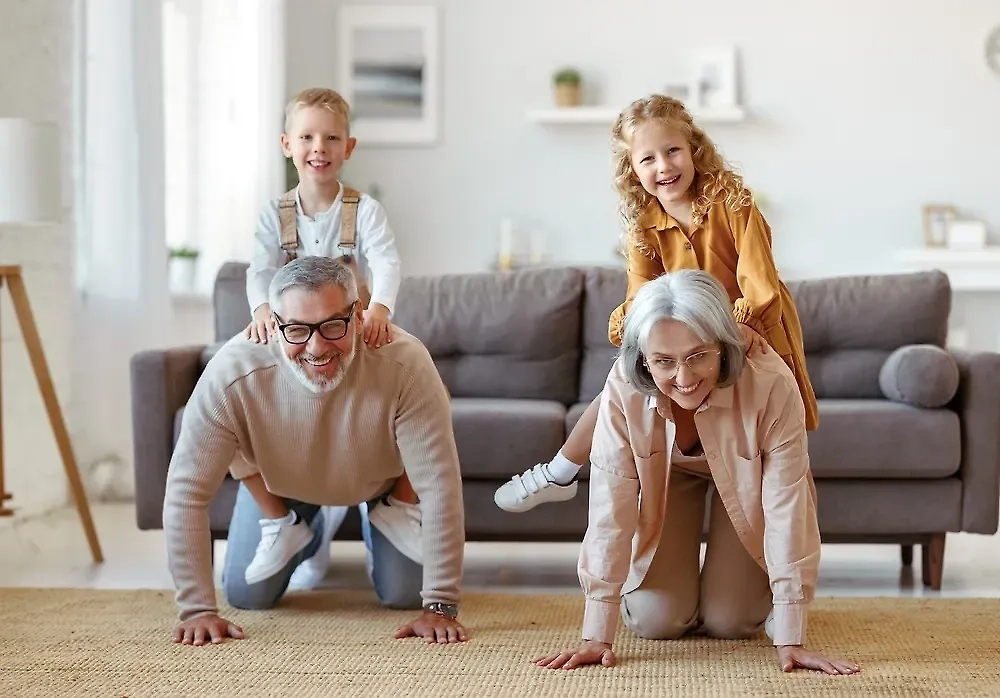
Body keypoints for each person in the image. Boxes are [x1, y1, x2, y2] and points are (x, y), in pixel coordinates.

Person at [494, 94, 818, 514]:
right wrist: (640, 333)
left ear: (693, 150)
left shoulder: (732, 201)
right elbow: (639, 295)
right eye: (648, 159)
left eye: (673, 151)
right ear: (632, 169)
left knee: (767, 424)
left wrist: (741, 323)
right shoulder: (643, 228)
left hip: (749, 329)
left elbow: (758, 279)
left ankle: (776, 512)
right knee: (625, 375)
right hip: (687, 338)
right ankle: (562, 470)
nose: (664, 167)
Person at [533, 270, 858, 675]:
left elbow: (786, 505)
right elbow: (608, 507)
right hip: (666, 479)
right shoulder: (622, 388)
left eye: (698, 355)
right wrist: (596, 633)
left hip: (749, 484)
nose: (684, 379)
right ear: (641, 359)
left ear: (723, 345)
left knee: (732, 621)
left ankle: (738, 598)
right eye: (664, 362)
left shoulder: (771, 383)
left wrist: (791, 634)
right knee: (656, 621)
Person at [163, 256, 467, 647]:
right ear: (274, 324)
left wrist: (440, 604)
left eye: (332, 325)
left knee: (405, 594)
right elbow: (186, 493)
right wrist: (197, 611)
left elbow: (440, 485)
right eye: (297, 330)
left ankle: (382, 517)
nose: (316, 346)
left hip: (379, 484)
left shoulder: (405, 361)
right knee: (246, 595)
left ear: (358, 315)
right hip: (282, 488)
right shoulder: (232, 370)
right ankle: (304, 529)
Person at [239, 87, 404, 585]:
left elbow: (387, 262)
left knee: (390, 379)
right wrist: (263, 308)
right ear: (286, 144)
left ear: (348, 147)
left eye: (332, 137)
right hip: (296, 339)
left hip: (346, 333)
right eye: (307, 136)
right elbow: (260, 267)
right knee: (249, 381)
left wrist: (379, 308)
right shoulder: (275, 212)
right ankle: (298, 521)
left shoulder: (364, 210)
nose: (320, 146)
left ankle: (382, 510)